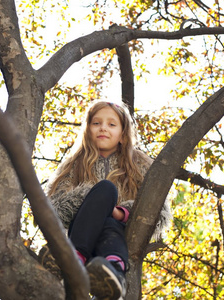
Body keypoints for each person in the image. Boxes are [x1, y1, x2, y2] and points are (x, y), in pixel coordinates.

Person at [46, 101, 172, 299]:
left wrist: (119, 212)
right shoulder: (74, 164)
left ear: (123, 135)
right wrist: (94, 202)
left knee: (109, 220)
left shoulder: (139, 164)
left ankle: (109, 273)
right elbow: (54, 207)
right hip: (81, 231)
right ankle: (79, 262)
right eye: (96, 123)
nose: (103, 127)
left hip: (118, 234)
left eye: (111, 124)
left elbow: (160, 212)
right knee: (105, 191)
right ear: (87, 130)